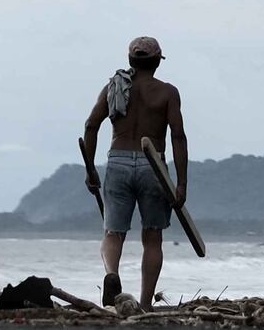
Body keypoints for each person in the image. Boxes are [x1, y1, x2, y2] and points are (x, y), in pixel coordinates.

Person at [80, 36, 188, 307]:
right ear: (156, 63)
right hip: (153, 164)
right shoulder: (167, 92)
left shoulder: (113, 88)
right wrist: (181, 183)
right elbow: (178, 136)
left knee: (113, 233)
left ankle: (112, 274)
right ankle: (144, 304)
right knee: (152, 237)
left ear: (131, 61)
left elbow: (91, 125)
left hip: (118, 162)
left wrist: (91, 169)